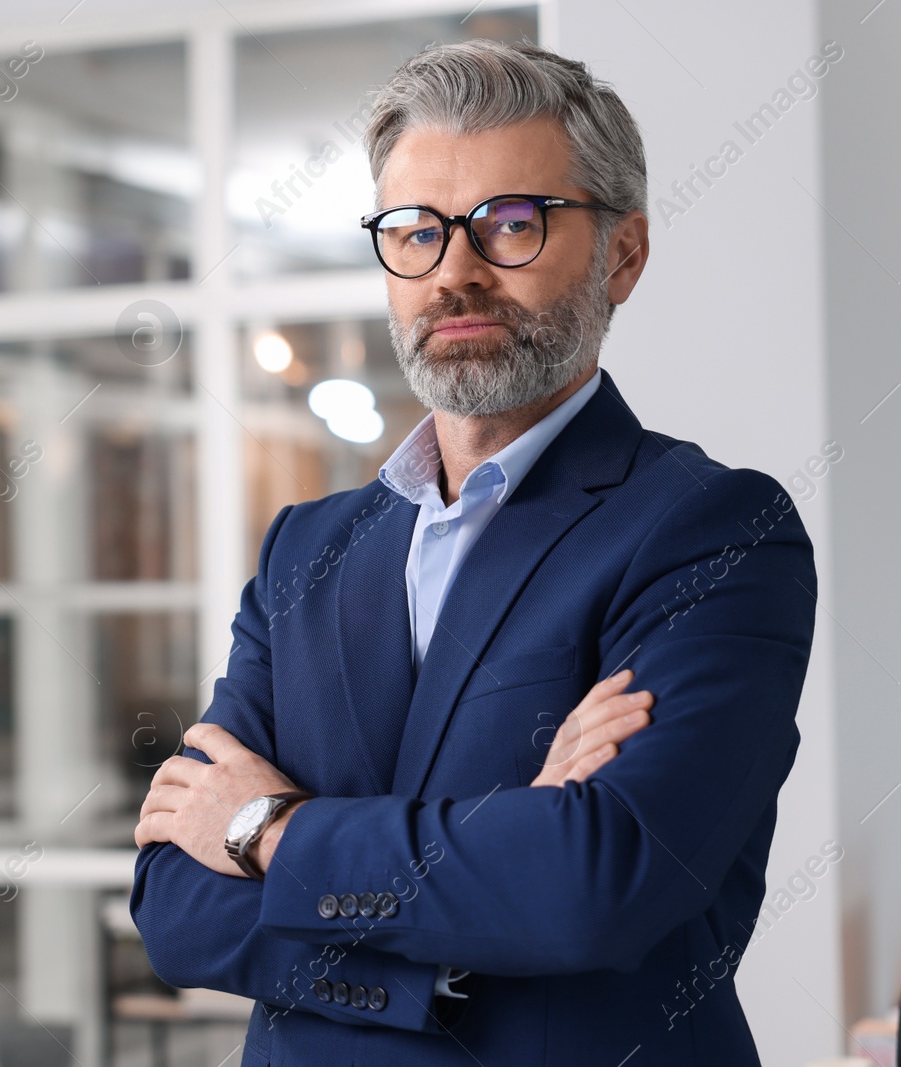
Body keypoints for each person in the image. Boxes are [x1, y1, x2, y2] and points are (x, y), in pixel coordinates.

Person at [131, 38, 816, 1066]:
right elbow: (175, 906)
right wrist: (483, 869)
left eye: (509, 224)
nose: (454, 272)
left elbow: (592, 882)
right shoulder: (303, 551)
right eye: (414, 230)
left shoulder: (713, 531)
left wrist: (265, 828)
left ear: (620, 254)